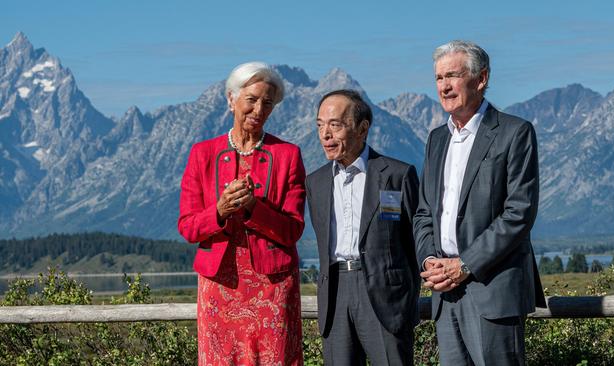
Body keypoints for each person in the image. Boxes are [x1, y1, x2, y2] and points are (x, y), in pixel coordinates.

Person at [413, 40, 547, 365]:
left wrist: (465, 264)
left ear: (481, 78)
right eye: (439, 78)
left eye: (453, 76)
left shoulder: (514, 133)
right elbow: (424, 212)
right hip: (445, 293)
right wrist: (430, 259)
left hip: (492, 290)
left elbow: (519, 213)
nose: (444, 86)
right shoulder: (436, 139)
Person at [178, 62, 305, 365]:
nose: (259, 109)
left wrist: (253, 209)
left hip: (273, 287)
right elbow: (188, 228)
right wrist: (219, 211)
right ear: (231, 99)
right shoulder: (202, 154)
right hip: (219, 287)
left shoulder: (288, 155)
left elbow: (292, 230)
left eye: (268, 102)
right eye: (252, 99)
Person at [306, 89, 420, 365]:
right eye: (320, 125)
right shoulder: (316, 182)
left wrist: (407, 298)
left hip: (385, 293)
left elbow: (415, 239)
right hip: (334, 293)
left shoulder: (396, 174)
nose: (325, 134)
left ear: (362, 128)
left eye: (335, 125)